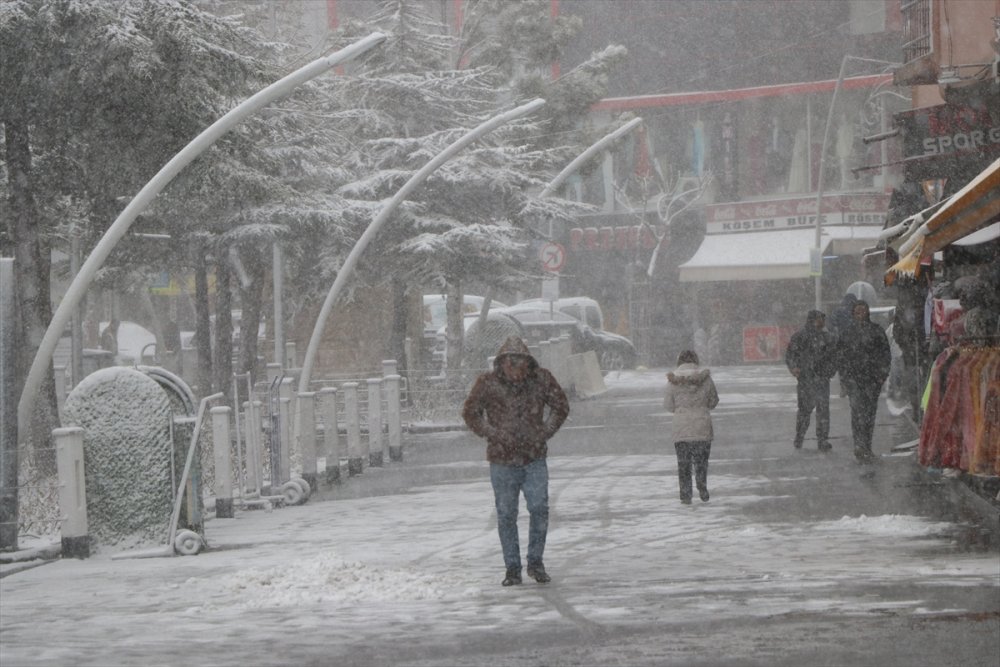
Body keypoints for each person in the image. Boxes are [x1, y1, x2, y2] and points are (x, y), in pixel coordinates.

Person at [462, 336, 569, 587]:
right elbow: (470, 412)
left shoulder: (541, 380)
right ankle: (512, 567)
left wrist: (544, 431)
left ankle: (535, 562)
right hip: (502, 460)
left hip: (534, 458)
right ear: (502, 363)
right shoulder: (487, 384)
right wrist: (492, 433)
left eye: (519, 361)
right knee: (507, 514)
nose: (515, 367)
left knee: (539, 508)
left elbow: (561, 406)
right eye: (510, 362)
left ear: (527, 362)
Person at [837, 300, 891, 463]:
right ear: (853, 313)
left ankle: (866, 445)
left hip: (872, 379)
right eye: (857, 310)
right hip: (854, 379)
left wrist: (882, 374)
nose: (860, 313)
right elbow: (841, 357)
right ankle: (859, 445)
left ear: (867, 312)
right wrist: (844, 379)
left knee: (869, 414)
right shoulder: (847, 332)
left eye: (863, 310)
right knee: (857, 412)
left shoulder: (876, 331)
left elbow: (885, 354)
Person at [663, 350, 719, 504]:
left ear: (679, 362)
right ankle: (702, 486)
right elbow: (713, 401)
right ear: (696, 361)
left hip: (681, 429)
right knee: (701, 462)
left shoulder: (673, 381)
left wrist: (681, 409)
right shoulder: (706, 379)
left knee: (683, 464)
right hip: (702, 427)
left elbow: (668, 405)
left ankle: (686, 495)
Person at [784, 310, 838, 451]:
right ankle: (801, 436)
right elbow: (791, 354)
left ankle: (821, 439)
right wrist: (794, 367)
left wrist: (830, 370)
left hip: (820, 378)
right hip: (807, 379)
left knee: (821, 410)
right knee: (806, 410)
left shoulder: (826, 337)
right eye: (820, 319)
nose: (823, 322)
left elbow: (834, 356)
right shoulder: (802, 336)